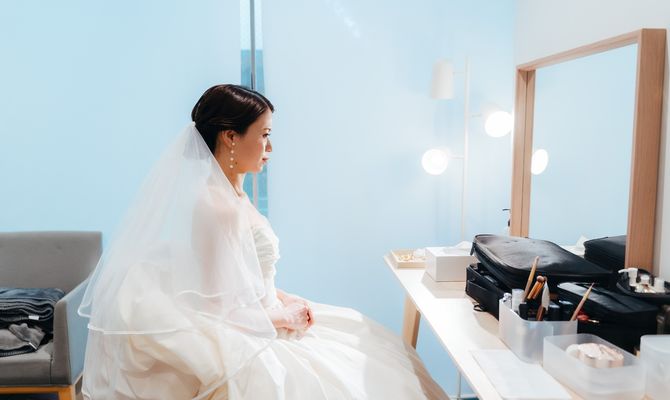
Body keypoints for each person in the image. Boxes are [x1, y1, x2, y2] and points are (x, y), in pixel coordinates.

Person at [79, 84, 448, 399]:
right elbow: (217, 307)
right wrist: (283, 317)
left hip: (262, 311)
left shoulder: (232, 194)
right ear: (230, 137)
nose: (269, 148)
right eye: (264, 134)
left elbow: (242, 275)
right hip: (247, 329)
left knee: (370, 347)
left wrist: (285, 298)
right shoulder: (215, 206)